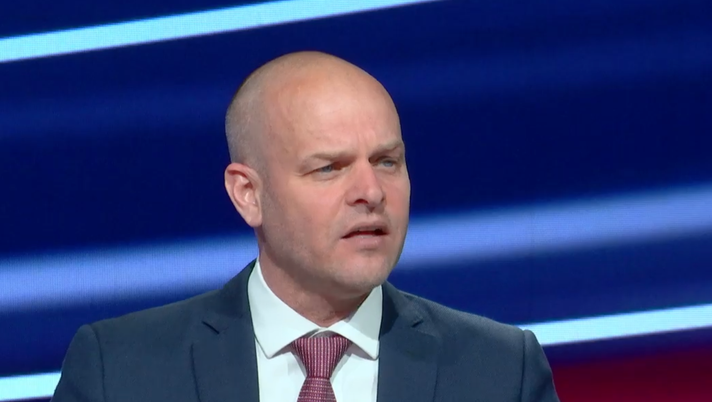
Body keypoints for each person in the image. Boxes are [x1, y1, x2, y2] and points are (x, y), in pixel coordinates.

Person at [52, 51, 560, 402]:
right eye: (329, 168)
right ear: (248, 194)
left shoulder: (500, 372)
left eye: (386, 161)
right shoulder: (119, 371)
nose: (371, 192)